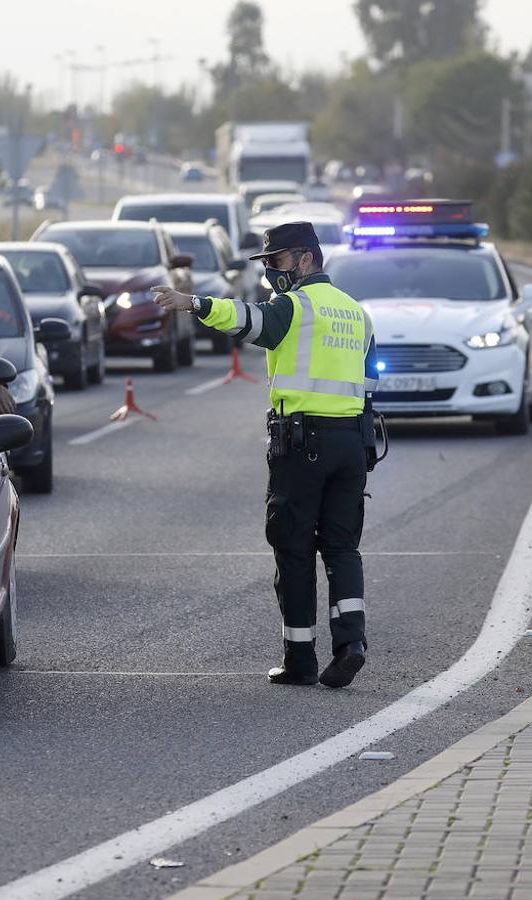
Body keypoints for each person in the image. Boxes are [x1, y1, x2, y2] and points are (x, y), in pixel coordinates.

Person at [152, 221, 378, 689]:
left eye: (276, 262)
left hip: (304, 444)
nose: (271, 272)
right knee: (341, 547)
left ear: (306, 260)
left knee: (293, 548)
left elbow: (250, 321)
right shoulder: (357, 313)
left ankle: (300, 660)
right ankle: (351, 644)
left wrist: (193, 304)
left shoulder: (294, 306)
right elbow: (370, 383)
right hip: (352, 444)